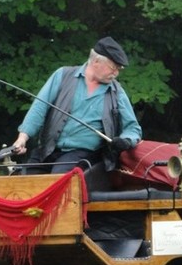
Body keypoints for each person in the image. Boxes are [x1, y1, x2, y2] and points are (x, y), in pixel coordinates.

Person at [12, 37, 142, 174]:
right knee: (25, 180)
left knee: (59, 178)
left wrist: (126, 141)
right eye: (113, 68)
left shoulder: (117, 92)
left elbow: (133, 128)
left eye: (119, 69)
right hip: (47, 150)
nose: (116, 73)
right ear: (96, 61)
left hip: (83, 155)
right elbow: (39, 108)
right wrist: (22, 139)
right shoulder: (62, 75)